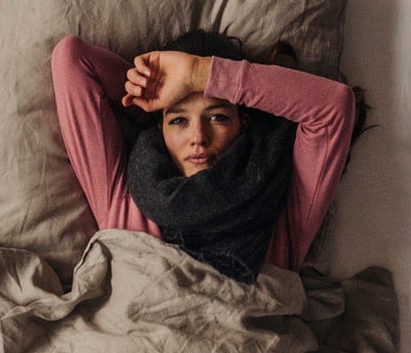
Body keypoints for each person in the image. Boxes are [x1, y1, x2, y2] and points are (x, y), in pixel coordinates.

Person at [50, 31, 356, 283]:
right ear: (160, 130)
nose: (198, 137)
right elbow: (72, 58)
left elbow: (334, 107)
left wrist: (199, 74)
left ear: (242, 124)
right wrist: (150, 88)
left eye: (218, 117)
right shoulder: (126, 196)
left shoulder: (279, 204)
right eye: (179, 121)